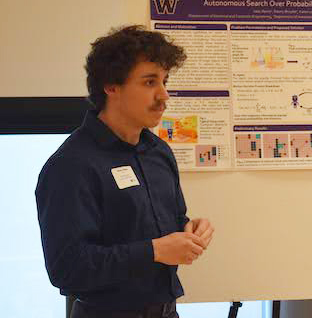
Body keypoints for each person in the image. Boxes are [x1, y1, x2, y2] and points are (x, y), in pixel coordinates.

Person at [36, 25, 214, 318]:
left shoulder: (158, 152)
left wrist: (189, 230)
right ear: (111, 86)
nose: (164, 95)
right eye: (149, 83)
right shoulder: (71, 165)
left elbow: (161, 224)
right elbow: (67, 268)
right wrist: (154, 251)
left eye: (165, 81)